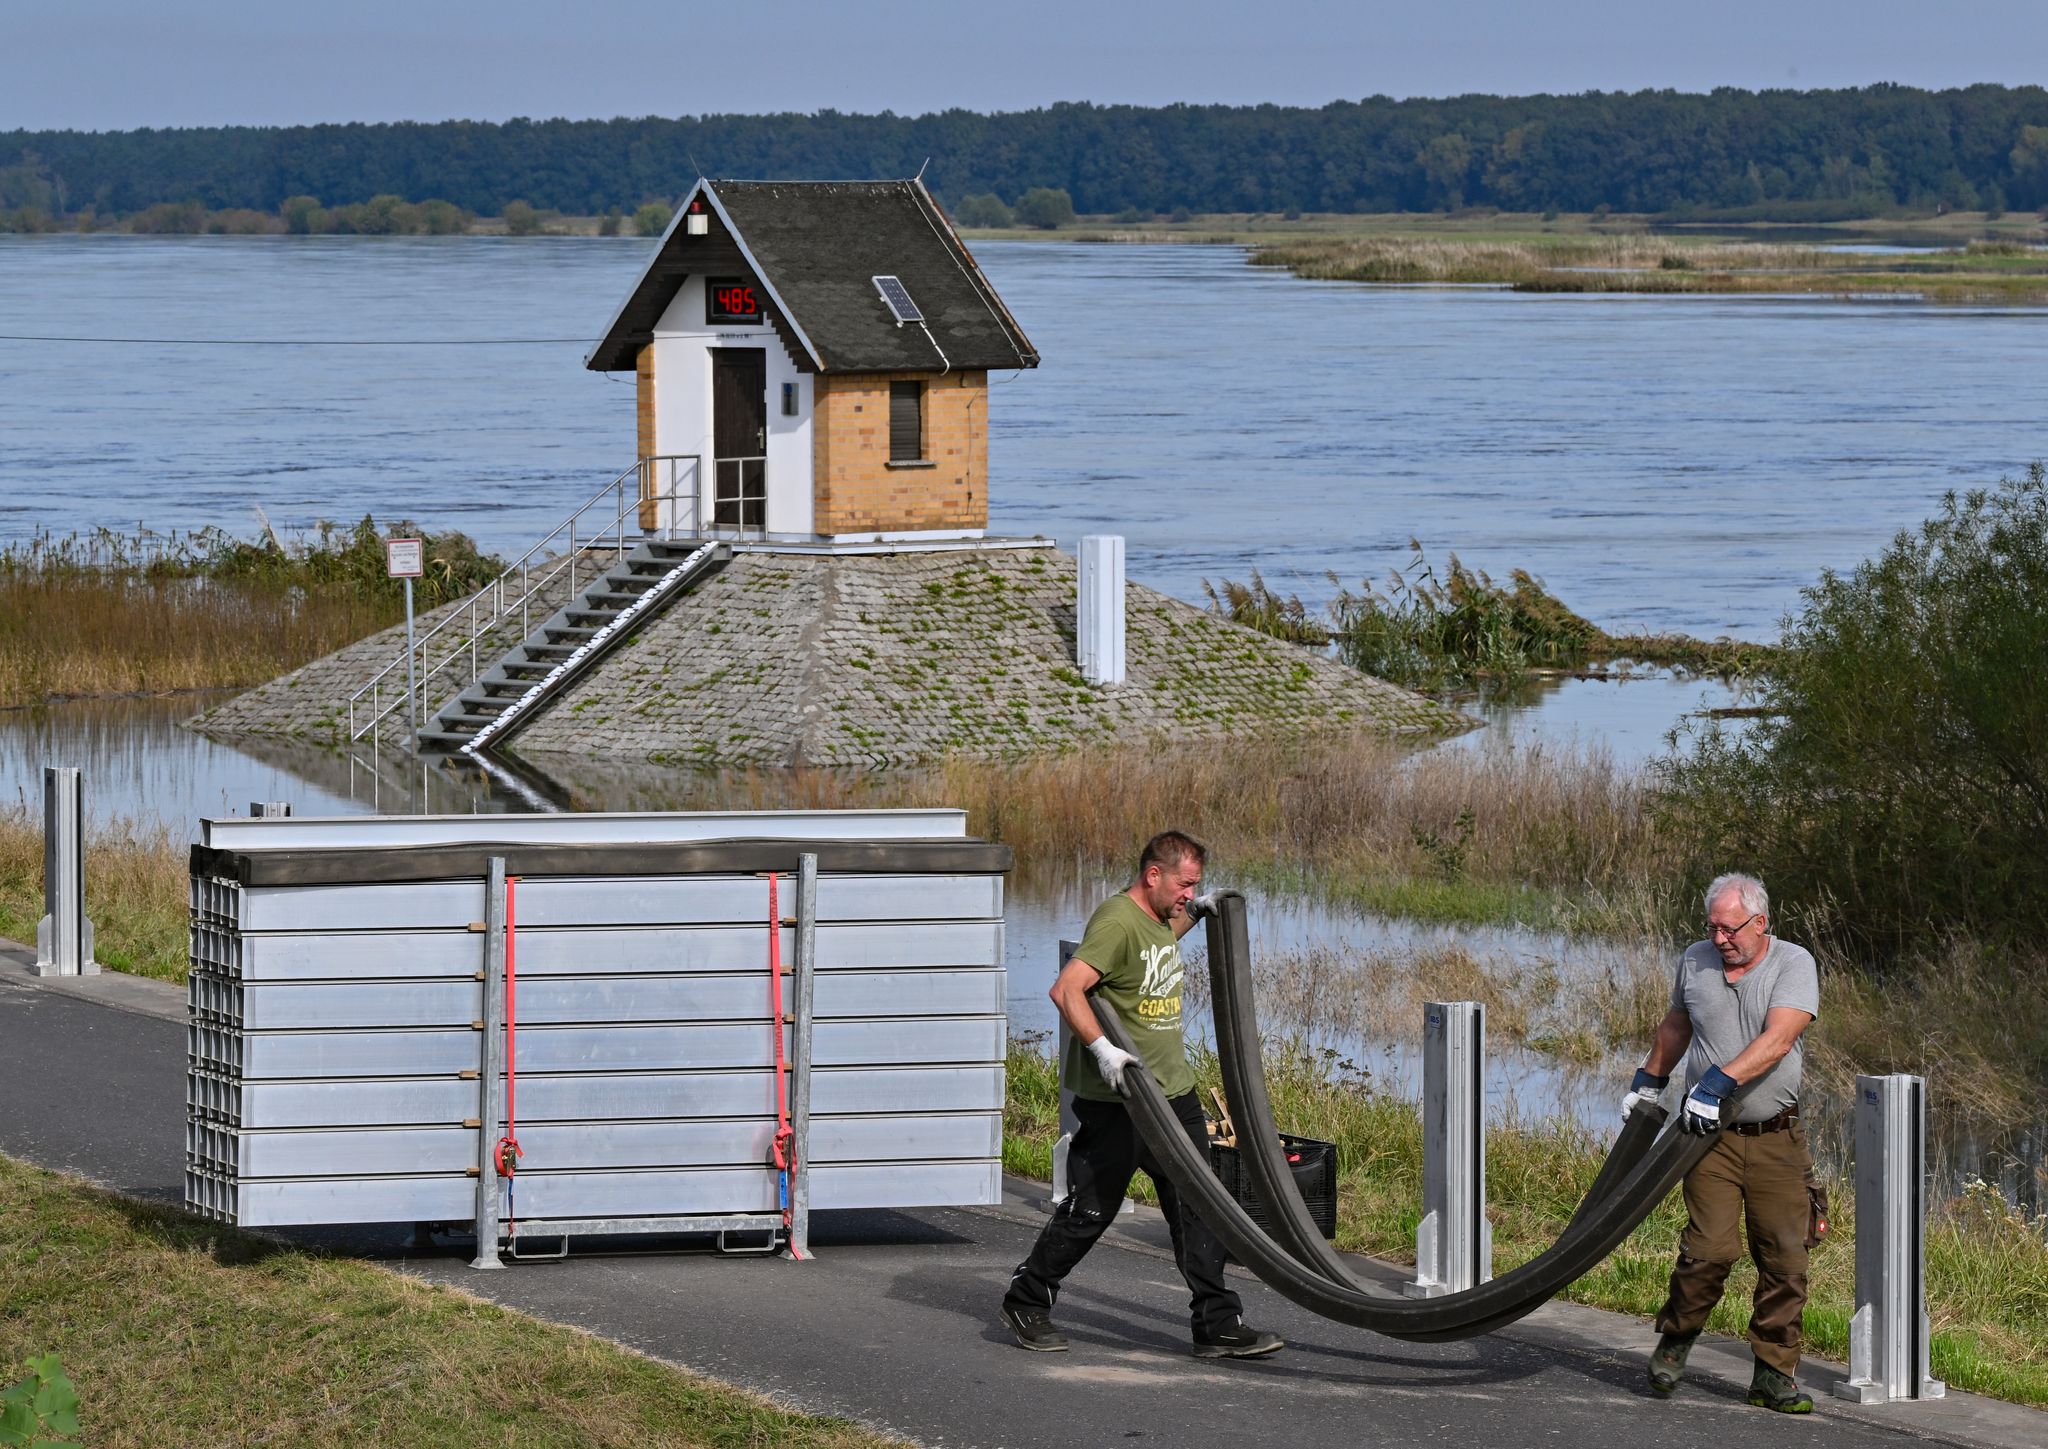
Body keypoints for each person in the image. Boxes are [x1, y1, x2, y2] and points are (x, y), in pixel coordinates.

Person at [1000, 830, 1284, 1359]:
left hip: (1173, 1092)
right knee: (1092, 1209)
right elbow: (1066, 988)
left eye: (1195, 885)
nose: (1188, 892)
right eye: (1185, 884)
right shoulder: (1116, 921)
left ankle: (1216, 1324)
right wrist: (1104, 1050)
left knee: (1202, 1206)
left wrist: (1197, 912)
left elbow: (1159, 943)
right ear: (1154, 874)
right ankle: (1027, 1299)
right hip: (1122, 1100)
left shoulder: (1155, 922)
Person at [1626, 872, 1821, 1413]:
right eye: (1711, 928)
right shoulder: (1695, 960)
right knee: (1709, 1250)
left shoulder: (1793, 964)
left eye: (1729, 929)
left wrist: (1716, 1082)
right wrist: (1649, 1081)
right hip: (1705, 1137)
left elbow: (1779, 1039)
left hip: (1776, 1137)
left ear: (1760, 923)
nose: (1719, 940)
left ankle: (1772, 1376)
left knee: (1785, 1258)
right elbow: (1677, 1024)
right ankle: (1677, 1339)